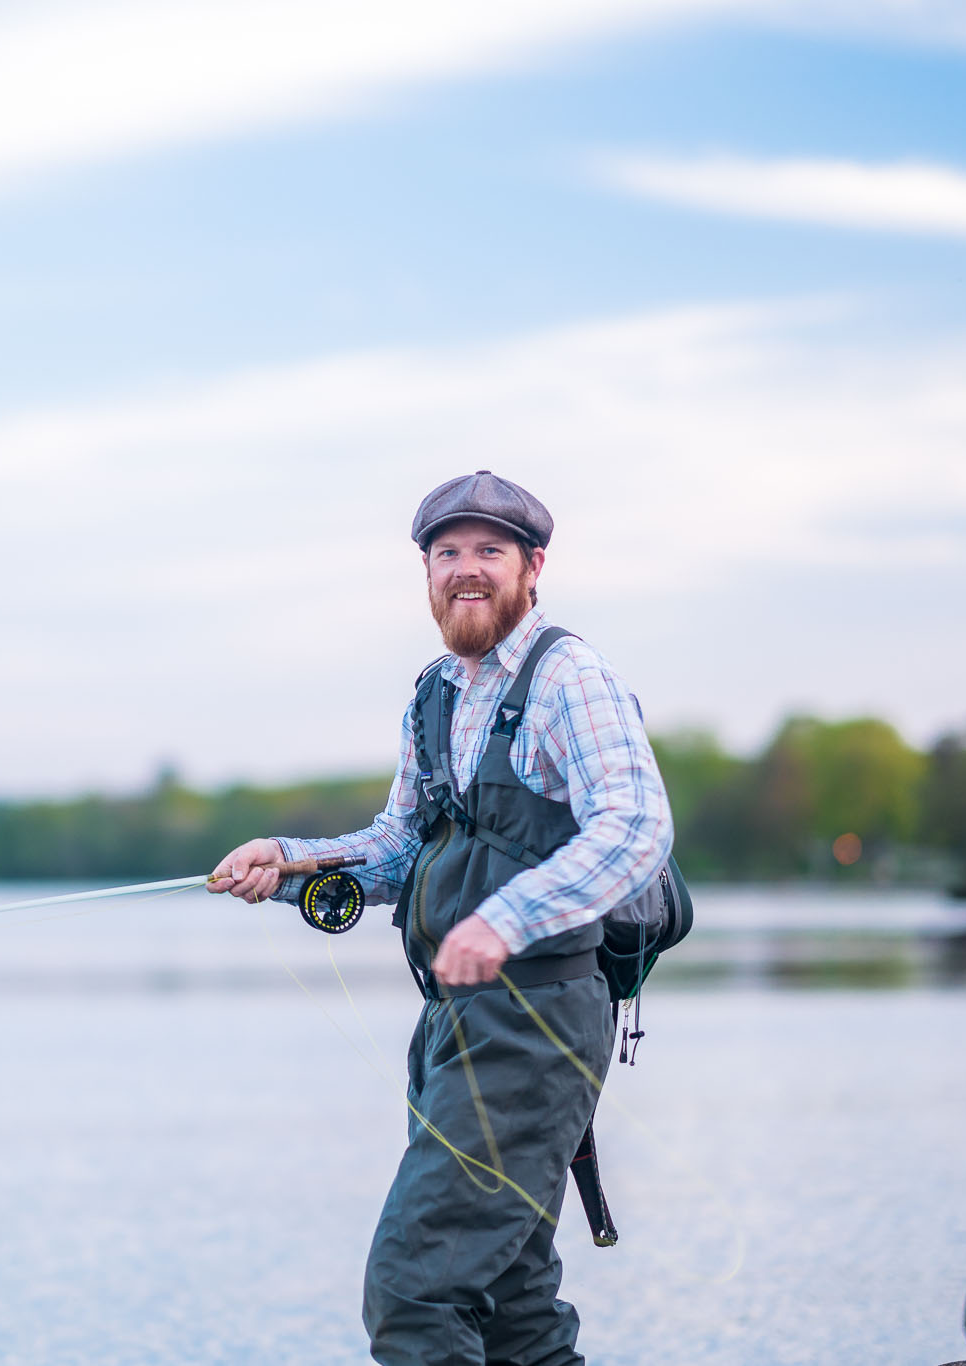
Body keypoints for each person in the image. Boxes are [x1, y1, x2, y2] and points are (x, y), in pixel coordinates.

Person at [210, 470, 673, 1366]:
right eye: (446, 553)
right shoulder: (435, 691)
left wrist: (505, 920)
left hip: (539, 1022)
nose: (466, 569)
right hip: (453, 1027)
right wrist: (291, 857)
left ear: (533, 567)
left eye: (488, 551)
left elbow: (637, 824)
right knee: (513, 1305)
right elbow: (399, 844)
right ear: (426, 575)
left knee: (415, 1292)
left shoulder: (569, 675)